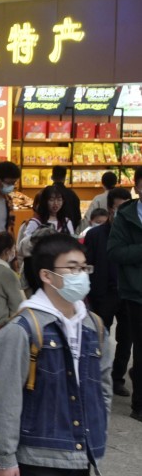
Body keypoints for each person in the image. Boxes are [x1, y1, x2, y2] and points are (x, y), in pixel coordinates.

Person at [0, 234, 111, 476]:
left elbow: (103, 386)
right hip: (39, 457)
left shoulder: (93, 325)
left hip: (81, 455)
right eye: (71, 268)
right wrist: (4, 458)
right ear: (46, 275)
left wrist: (99, 428)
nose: (81, 274)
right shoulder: (23, 330)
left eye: (84, 267)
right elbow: (3, 397)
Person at [85, 188, 131, 397]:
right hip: (102, 294)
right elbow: (88, 264)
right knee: (98, 338)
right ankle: (95, 377)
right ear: (110, 208)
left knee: (126, 339)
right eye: (118, 208)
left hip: (128, 293)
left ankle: (117, 379)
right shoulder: (95, 235)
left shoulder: (133, 234)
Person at [107, 168, 142, 419]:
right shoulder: (126, 216)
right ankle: (139, 406)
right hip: (135, 293)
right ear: (137, 187)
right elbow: (115, 252)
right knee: (139, 350)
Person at [51, 166, 82, 230]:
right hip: (68, 231)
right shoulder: (72, 194)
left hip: (50, 231)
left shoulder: (45, 193)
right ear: (65, 178)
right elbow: (77, 217)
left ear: (52, 177)